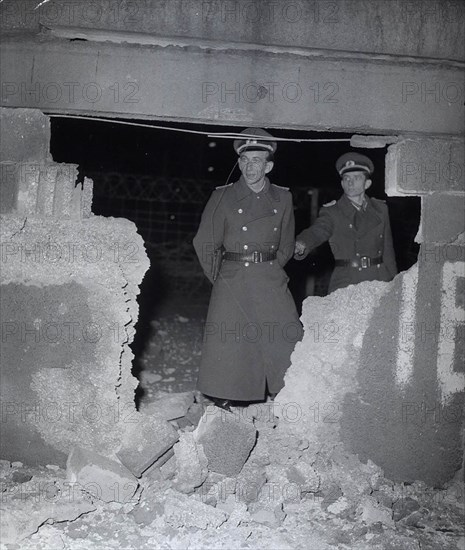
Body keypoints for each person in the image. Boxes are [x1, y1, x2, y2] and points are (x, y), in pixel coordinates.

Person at [193, 127, 302, 409]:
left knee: (283, 333)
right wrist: (221, 277)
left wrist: (271, 269)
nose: (249, 166)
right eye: (244, 160)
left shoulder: (283, 198)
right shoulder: (222, 196)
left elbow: (286, 244)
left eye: (256, 161)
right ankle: (226, 397)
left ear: (269, 165)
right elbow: (205, 242)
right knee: (231, 342)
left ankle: (287, 393)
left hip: (269, 276)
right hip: (233, 276)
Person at [294, 152, 397, 294]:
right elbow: (318, 231)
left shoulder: (380, 209)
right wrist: (303, 243)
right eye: (346, 178)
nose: (350, 182)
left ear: (367, 183)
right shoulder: (332, 212)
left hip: (379, 280)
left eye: (356, 178)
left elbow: (388, 251)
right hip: (347, 282)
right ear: (342, 183)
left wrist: (394, 283)